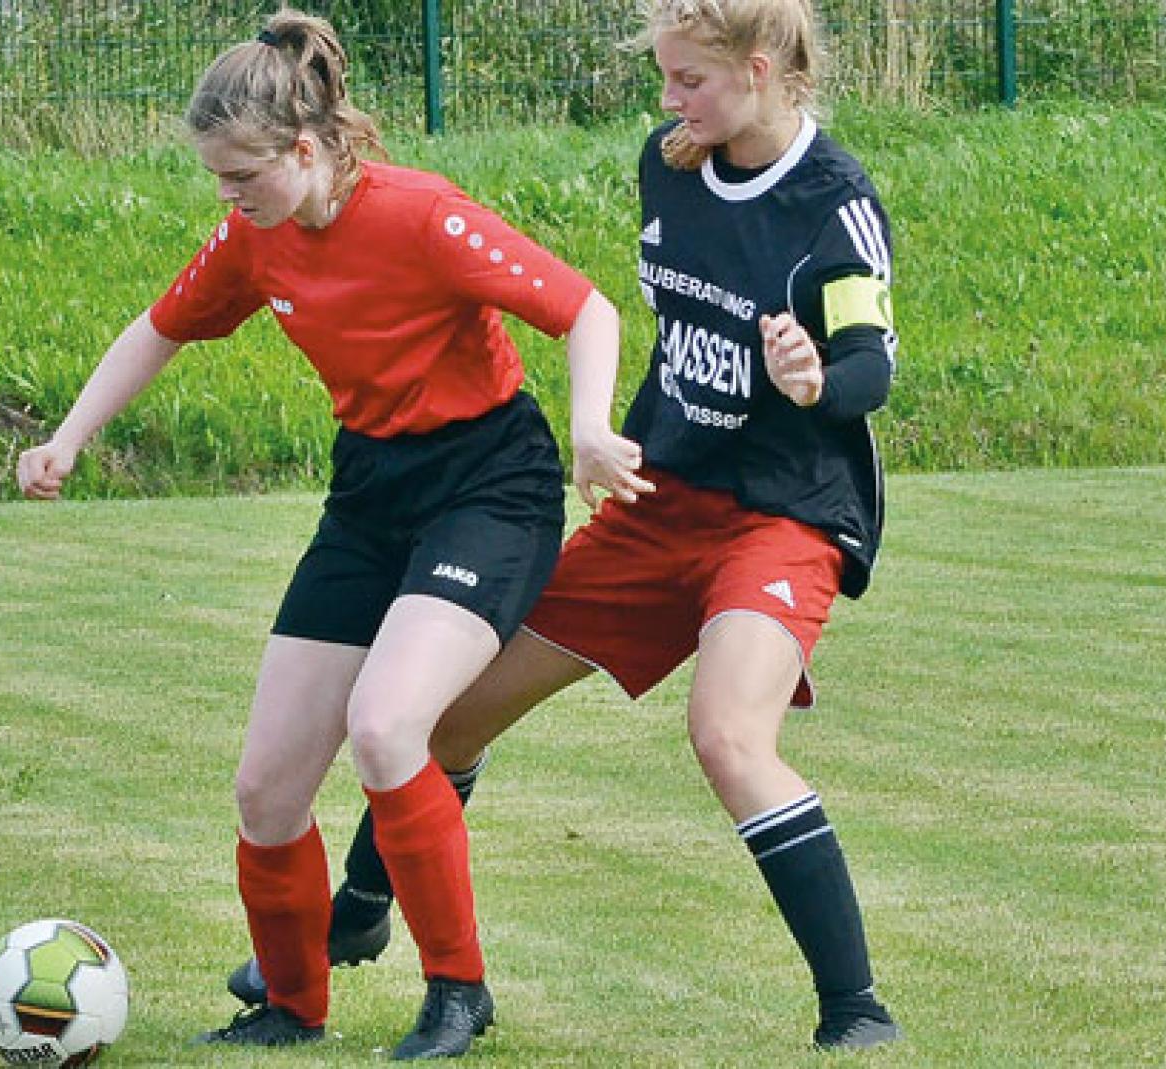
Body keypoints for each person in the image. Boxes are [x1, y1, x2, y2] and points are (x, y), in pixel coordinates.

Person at [226, 0, 903, 1052]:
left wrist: (816, 381)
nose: (667, 100)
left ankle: (854, 1007)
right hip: (657, 504)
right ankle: (357, 911)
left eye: (687, 80)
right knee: (444, 718)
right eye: (665, 77)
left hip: (782, 519)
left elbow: (870, 363)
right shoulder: (673, 163)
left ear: (760, 71)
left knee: (728, 735)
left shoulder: (834, 203)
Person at [16, 6, 649, 1059]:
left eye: (242, 176)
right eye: (217, 179)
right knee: (266, 786)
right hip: (369, 493)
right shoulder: (254, 236)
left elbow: (586, 309)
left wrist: (591, 430)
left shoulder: (420, 215)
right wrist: (68, 437)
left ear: (306, 150)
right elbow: (161, 327)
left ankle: (458, 993)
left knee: (390, 727)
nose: (228, 198)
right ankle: (291, 1007)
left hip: (488, 488)